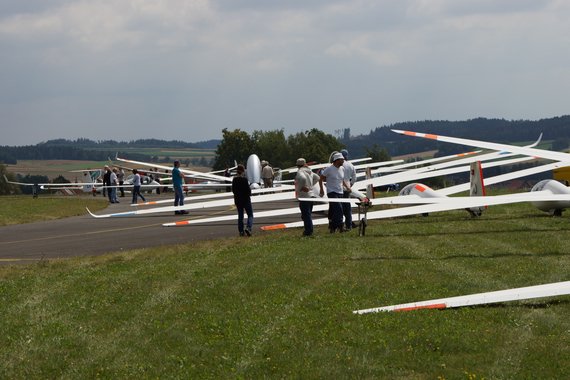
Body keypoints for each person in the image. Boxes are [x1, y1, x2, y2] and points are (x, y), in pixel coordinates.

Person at [320, 152, 351, 233]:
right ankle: (340, 225)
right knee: (339, 209)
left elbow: (342, 180)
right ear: (337, 160)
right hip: (332, 191)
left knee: (334, 210)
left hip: (340, 192)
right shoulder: (329, 169)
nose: (343, 161)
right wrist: (322, 190)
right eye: (342, 160)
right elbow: (321, 179)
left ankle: (333, 227)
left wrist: (347, 187)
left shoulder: (342, 169)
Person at [295, 158, 320, 237]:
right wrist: (311, 186)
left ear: (298, 165)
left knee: (306, 214)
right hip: (311, 194)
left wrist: (301, 188)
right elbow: (317, 178)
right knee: (307, 214)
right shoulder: (309, 171)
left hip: (304, 196)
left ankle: (308, 231)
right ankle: (309, 229)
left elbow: (303, 178)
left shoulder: (300, 171)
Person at [232, 164, 253, 236]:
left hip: (238, 200)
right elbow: (248, 191)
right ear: (243, 171)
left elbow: (233, 190)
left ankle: (241, 231)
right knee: (250, 215)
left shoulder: (234, 180)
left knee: (240, 216)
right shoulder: (245, 180)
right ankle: (248, 228)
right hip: (246, 200)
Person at [340, 149, 357, 230]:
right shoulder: (351, 165)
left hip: (339, 188)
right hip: (347, 189)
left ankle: (341, 225)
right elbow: (354, 178)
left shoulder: (339, 165)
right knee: (347, 207)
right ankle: (349, 225)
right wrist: (350, 185)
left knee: (340, 208)